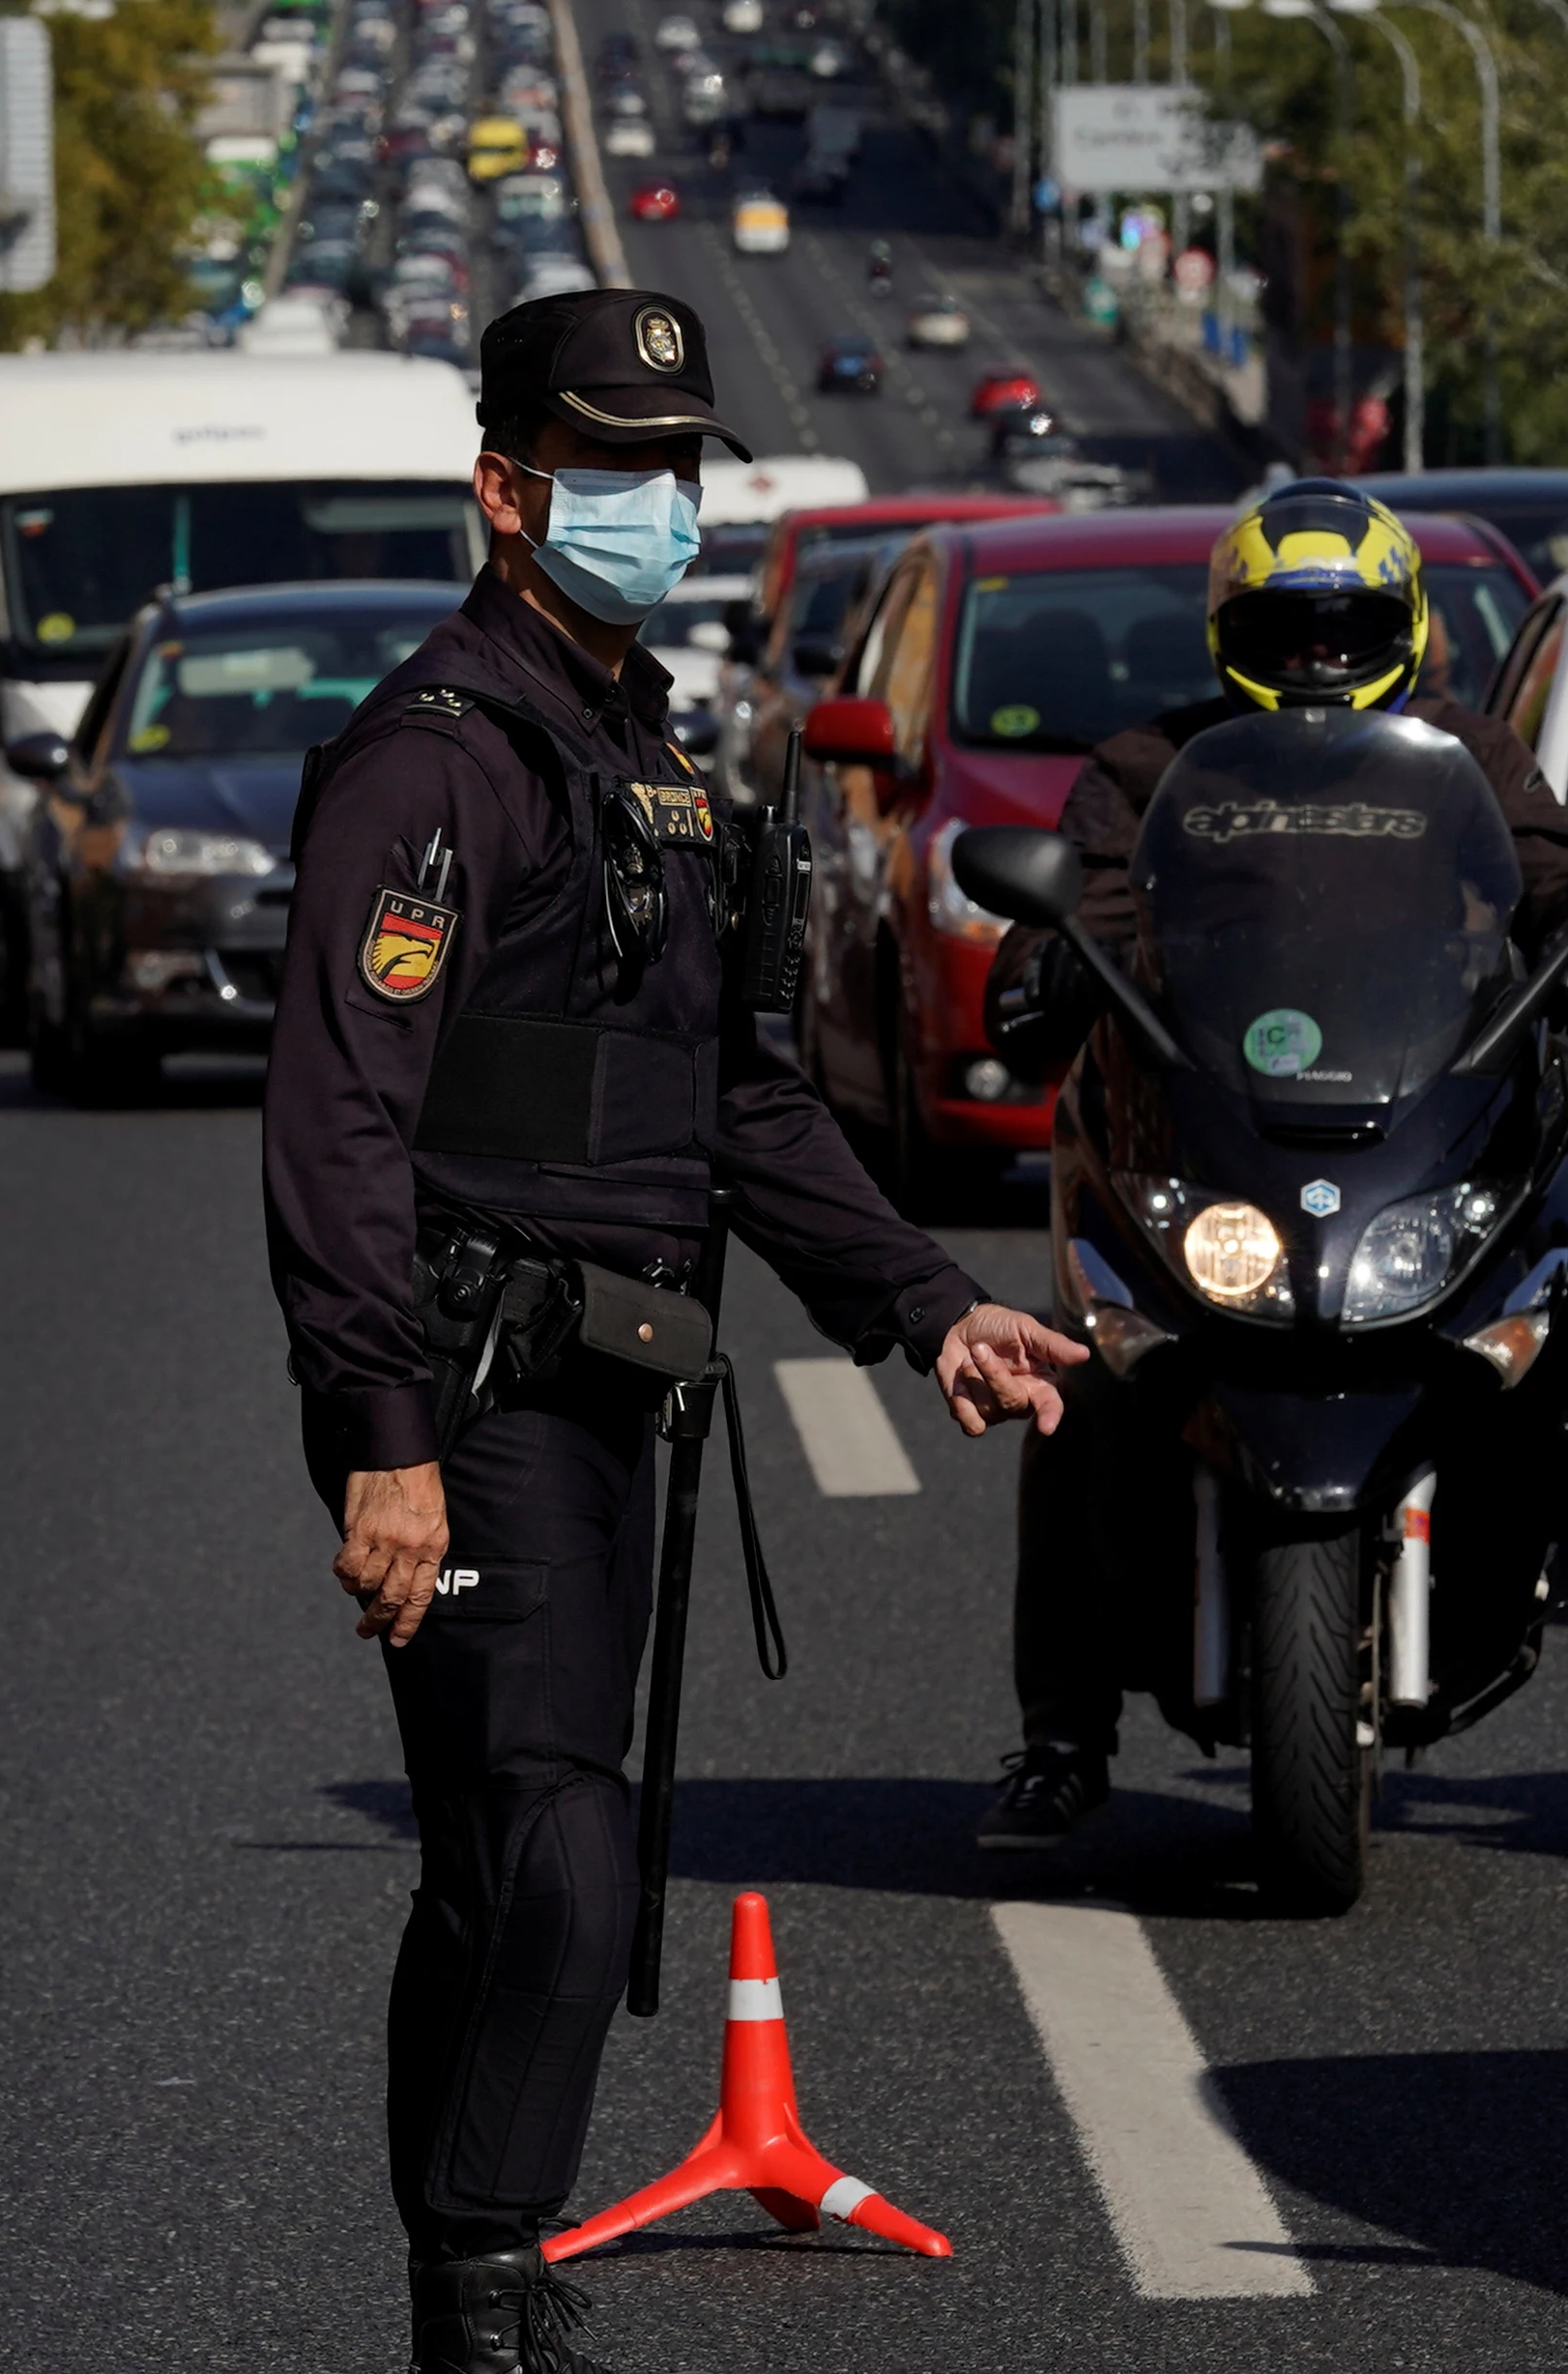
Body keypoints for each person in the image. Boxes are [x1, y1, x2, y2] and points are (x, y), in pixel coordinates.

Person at [262, 289, 1089, 2374]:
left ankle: (480, 2262)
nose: (654, 503)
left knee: (512, 1861)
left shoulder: (642, 765)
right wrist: (373, 1426)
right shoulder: (431, 766)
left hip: (614, 1387)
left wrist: (928, 1308)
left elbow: (740, 1105)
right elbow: (341, 1116)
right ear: (504, 488)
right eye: (607, 469)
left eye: (674, 467)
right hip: (472, 1390)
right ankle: (476, 2289)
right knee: (550, 1847)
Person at [968, 480, 1568, 1849]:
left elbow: (1550, 879)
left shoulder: (1468, 752)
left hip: (1409, 1119)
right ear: (1226, 631)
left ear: (1404, 625)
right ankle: (1060, 1735)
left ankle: (1513, 1543)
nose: (1315, 657)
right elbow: (1084, 891)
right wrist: (1044, 963)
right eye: (1283, 630)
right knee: (1081, 1378)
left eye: (1344, 627)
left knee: (1548, 1282)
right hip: (1196, 1133)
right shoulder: (1147, 766)